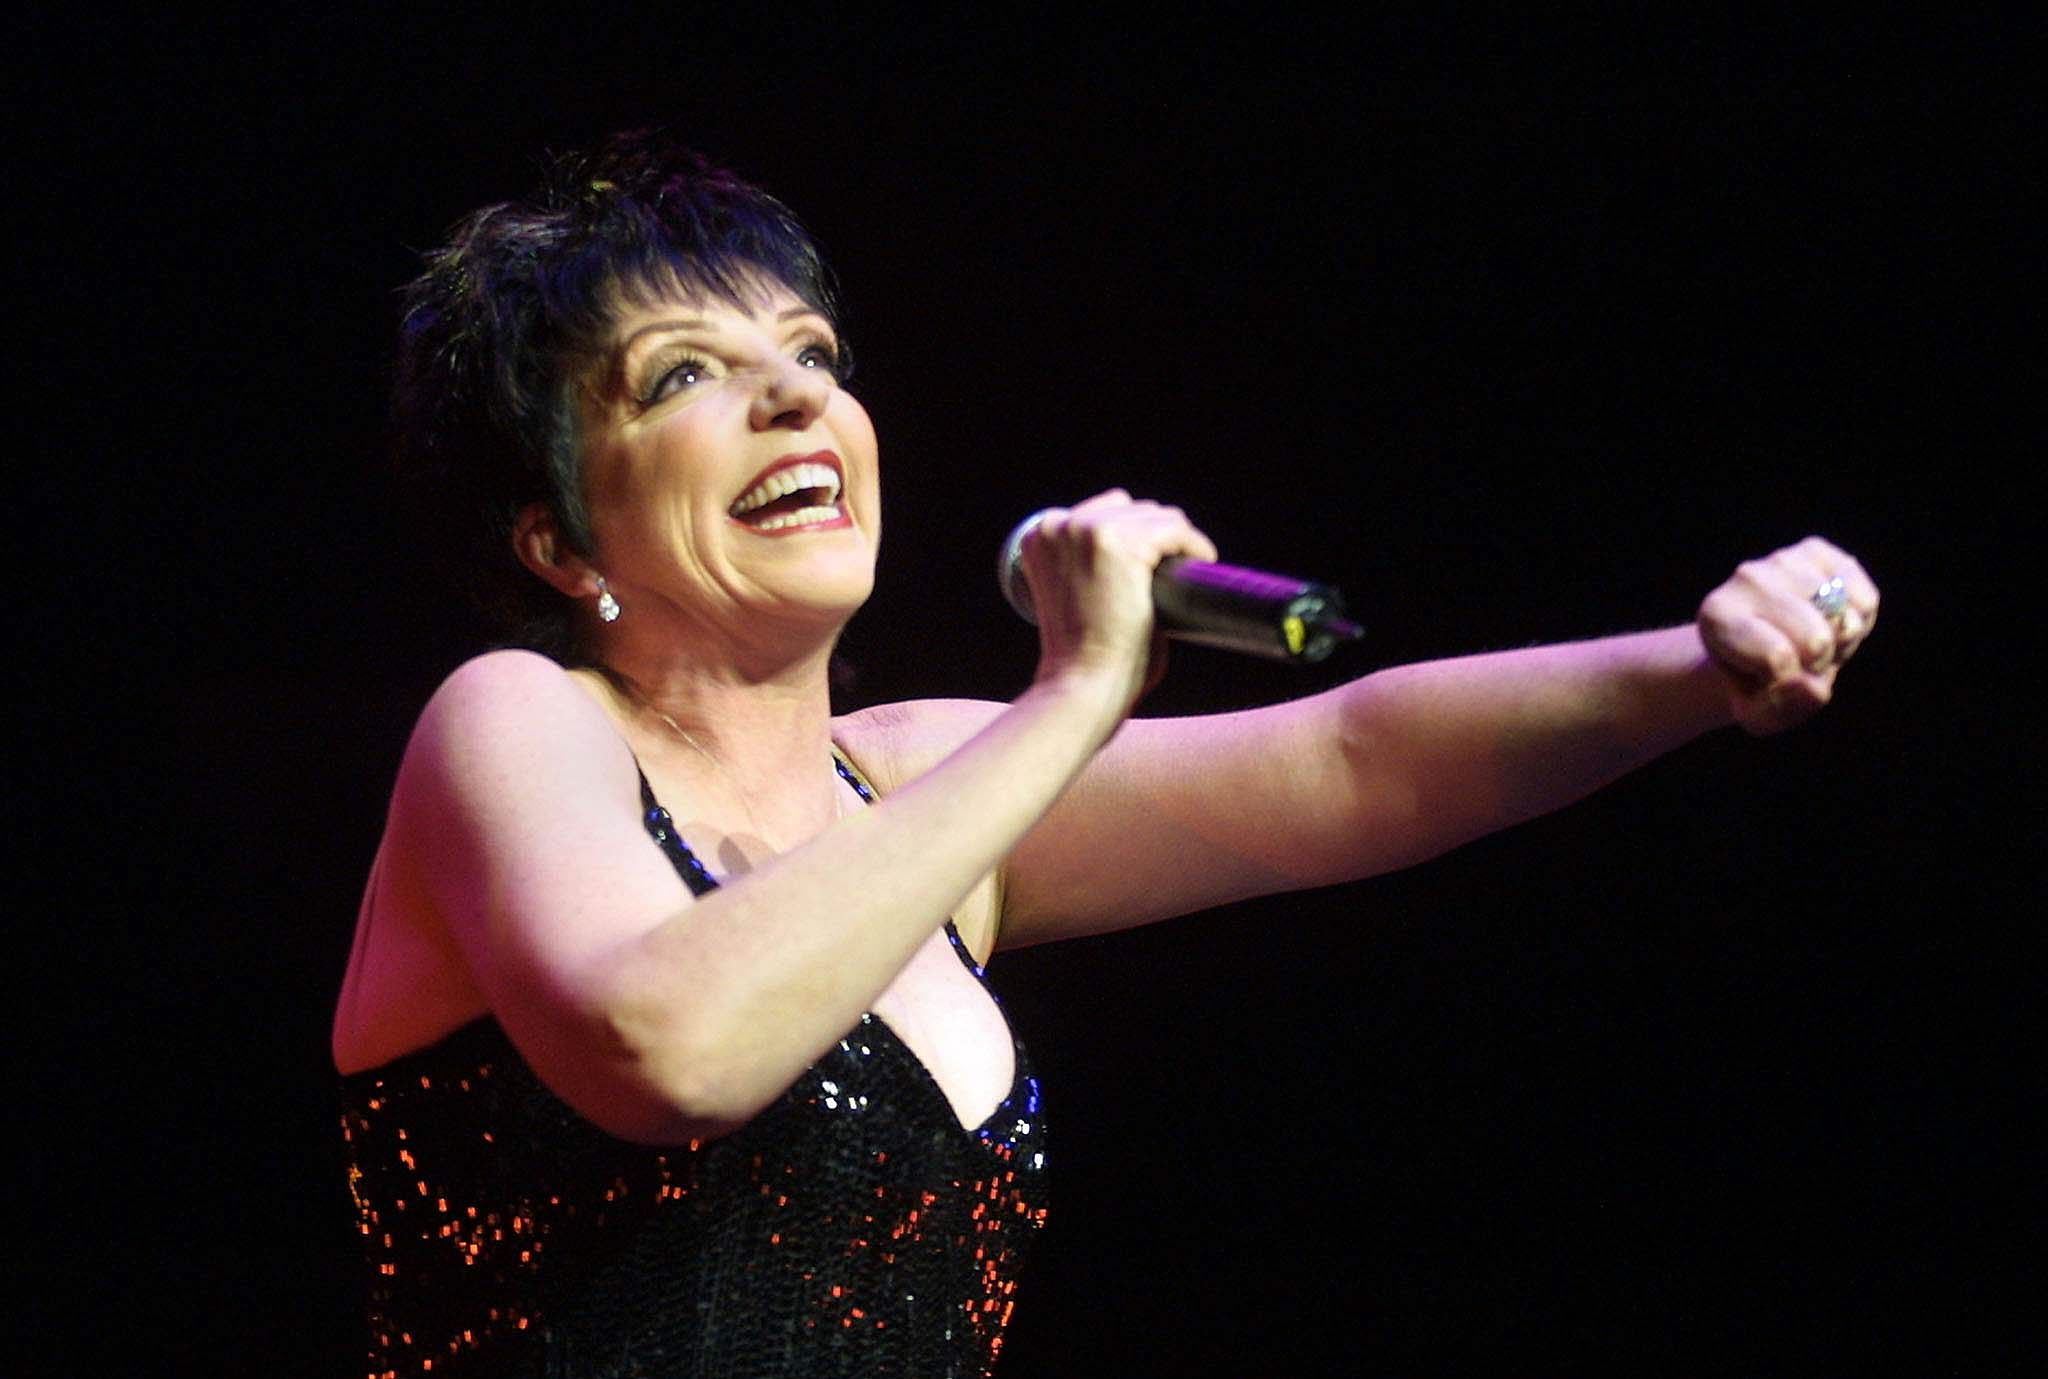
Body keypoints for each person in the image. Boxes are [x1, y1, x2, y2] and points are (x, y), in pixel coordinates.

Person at [332, 130, 1878, 1379]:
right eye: (685, 375)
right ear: (556, 538)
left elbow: (1352, 764)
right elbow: (665, 1049)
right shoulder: (517, 722)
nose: (797, 394)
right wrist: (1077, 691)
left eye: (811, 351)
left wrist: (1695, 670)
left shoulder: (912, 781)